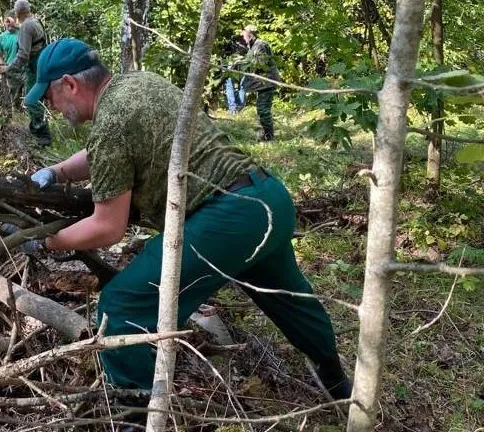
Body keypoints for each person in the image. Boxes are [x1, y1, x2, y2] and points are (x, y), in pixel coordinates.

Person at [19, 38, 352, 407]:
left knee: (122, 307)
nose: (49, 106)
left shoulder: (112, 121)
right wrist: (57, 171)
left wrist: (48, 243)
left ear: (70, 84)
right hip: (267, 199)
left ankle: (136, 414)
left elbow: (107, 228)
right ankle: (338, 383)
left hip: (227, 216)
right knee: (290, 298)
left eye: (48, 96)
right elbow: (102, 151)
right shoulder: (139, 83)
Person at [0, 0, 51, 146]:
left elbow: (23, 56)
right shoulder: (35, 21)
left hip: (34, 68)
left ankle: (42, 138)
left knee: (31, 101)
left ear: (17, 13)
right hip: (41, 64)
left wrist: (8, 68)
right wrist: (15, 25)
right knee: (36, 99)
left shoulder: (26, 28)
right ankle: (38, 134)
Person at [235, 25, 279, 141]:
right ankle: (266, 134)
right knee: (261, 109)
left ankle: (269, 137)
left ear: (250, 34)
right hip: (262, 83)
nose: (242, 36)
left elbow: (260, 64)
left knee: (263, 109)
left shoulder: (260, 45)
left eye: (244, 34)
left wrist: (242, 62)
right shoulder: (253, 46)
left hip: (266, 82)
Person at [0, 16, 23, 110]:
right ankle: (17, 118)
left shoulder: (22, 33)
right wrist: (2, 65)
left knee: (28, 96)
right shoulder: (1, 38)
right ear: (3, 23)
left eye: (10, 21)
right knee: (14, 97)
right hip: (11, 70)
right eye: (7, 21)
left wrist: (15, 24)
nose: (9, 23)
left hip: (25, 68)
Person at [223, 35, 247, 114]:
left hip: (232, 64)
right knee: (242, 86)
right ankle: (239, 108)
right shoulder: (247, 43)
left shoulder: (232, 42)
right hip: (244, 64)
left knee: (229, 85)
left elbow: (226, 53)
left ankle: (233, 109)